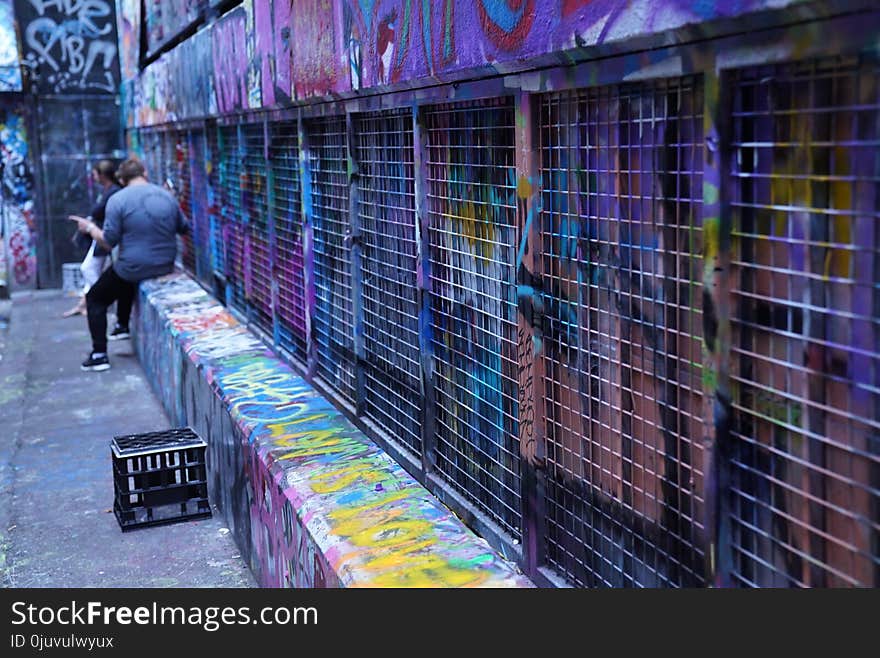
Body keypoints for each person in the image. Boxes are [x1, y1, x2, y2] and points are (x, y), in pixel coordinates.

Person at [72, 157, 189, 371]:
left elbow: (108, 242)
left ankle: (99, 354)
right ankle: (122, 325)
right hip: (165, 265)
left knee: (95, 298)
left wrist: (89, 228)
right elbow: (184, 227)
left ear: (123, 180)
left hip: (133, 268)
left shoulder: (118, 200)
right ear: (144, 172)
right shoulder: (166, 196)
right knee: (121, 277)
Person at [63, 160, 121, 317]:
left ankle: (97, 298)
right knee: (92, 268)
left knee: (89, 268)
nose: (94, 177)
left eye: (95, 174)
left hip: (105, 234)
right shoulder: (108, 191)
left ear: (102, 175)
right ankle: (86, 302)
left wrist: (89, 225)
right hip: (101, 233)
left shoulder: (113, 192)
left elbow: (101, 212)